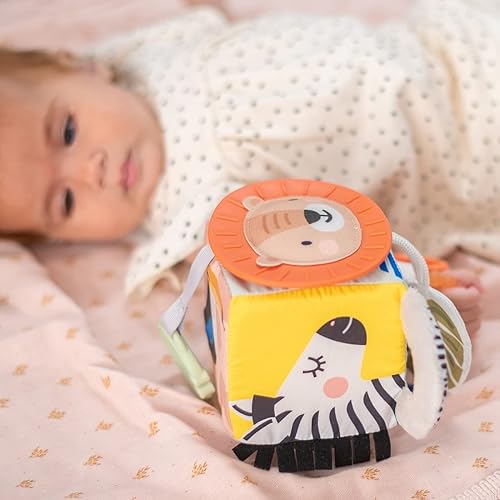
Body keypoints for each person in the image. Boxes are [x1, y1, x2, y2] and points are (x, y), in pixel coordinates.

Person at [0, 1, 488, 334]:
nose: (92, 172)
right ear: (61, 239)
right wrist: (414, 300)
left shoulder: (136, 56)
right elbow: (317, 275)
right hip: (465, 151)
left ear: (78, 65)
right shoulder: (198, 221)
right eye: (65, 201)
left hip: (447, 43)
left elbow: (206, 16)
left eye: (67, 132)